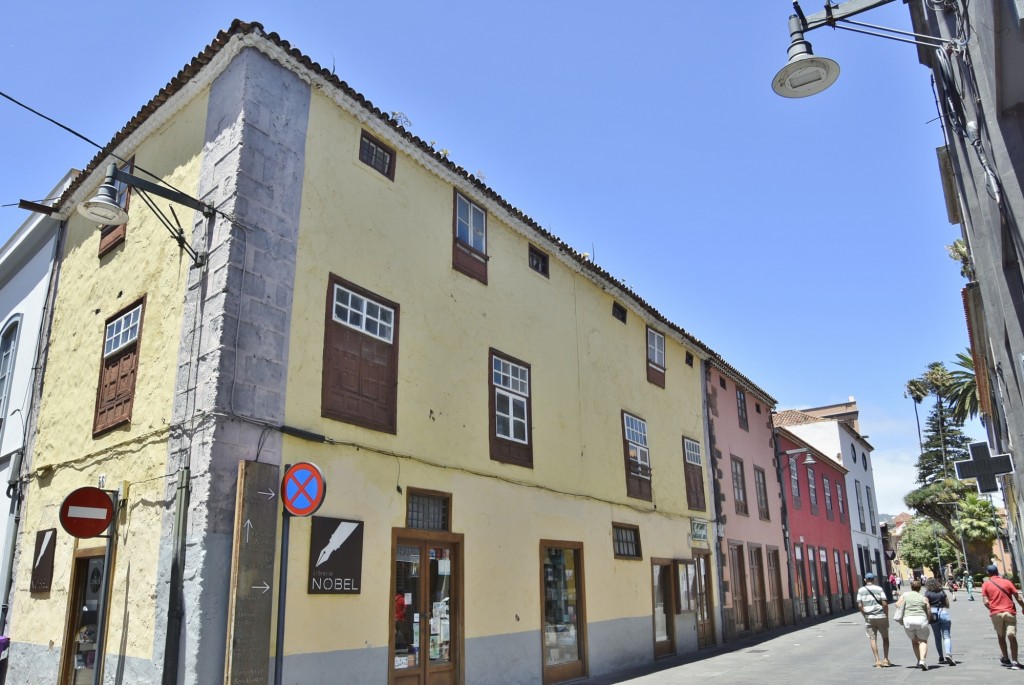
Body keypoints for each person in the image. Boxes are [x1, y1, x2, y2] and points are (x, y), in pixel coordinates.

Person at [981, 563, 1024, 668]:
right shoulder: (1007, 582)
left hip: (996, 614)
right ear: (997, 572)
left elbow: (985, 602)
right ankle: (1015, 661)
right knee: (1011, 636)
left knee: (1001, 636)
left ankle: (1006, 658)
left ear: (988, 573)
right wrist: (1023, 607)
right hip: (1009, 612)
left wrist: (993, 609)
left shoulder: (986, 584)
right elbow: (1018, 598)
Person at [856, 572, 892, 668]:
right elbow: (884, 603)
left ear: (865, 580)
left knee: (872, 638)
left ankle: (877, 660)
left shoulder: (860, 590)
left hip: (869, 617)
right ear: (874, 579)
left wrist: (864, 615)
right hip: (881, 616)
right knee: (885, 638)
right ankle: (886, 659)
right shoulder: (879, 589)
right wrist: (886, 614)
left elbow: (859, 605)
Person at [895, 579, 932, 671]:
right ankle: (922, 660)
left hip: (908, 620)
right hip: (921, 619)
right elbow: (928, 609)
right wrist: (928, 619)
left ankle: (918, 660)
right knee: (923, 641)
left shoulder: (905, 595)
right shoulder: (923, 598)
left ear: (911, 587)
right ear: (920, 588)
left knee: (914, 641)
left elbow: (897, 604)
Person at [925, 577, 955, 665]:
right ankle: (948, 654)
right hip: (943, 613)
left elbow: (926, 605)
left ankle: (941, 657)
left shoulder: (927, 593)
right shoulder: (942, 592)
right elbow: (947, 605)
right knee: (946, 636)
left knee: (937, 637)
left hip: (933, 615)